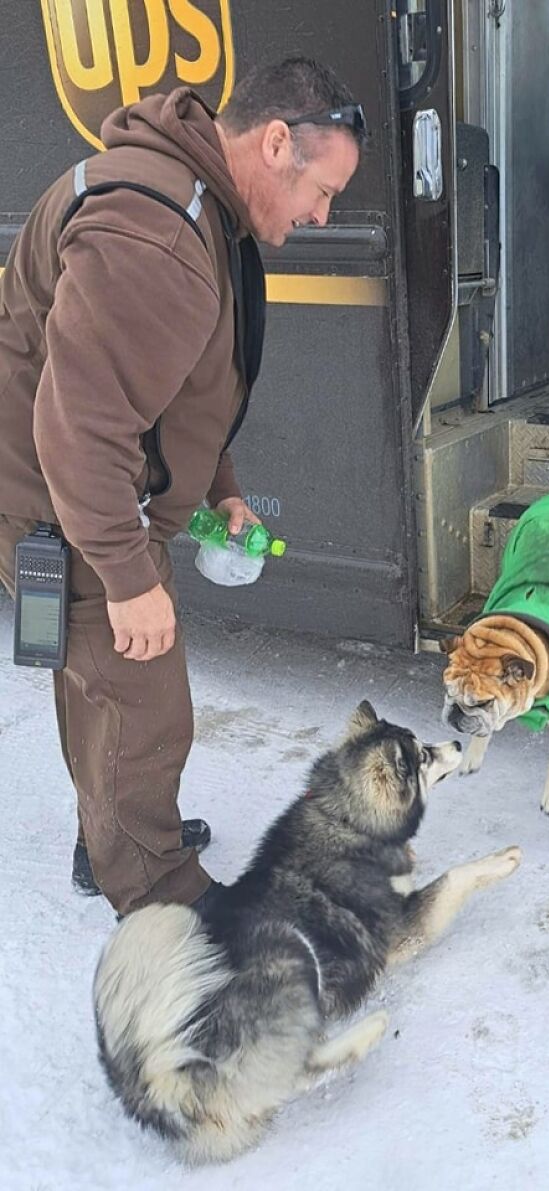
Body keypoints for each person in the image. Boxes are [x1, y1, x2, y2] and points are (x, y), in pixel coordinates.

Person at [0, 56, 365, 918]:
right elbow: (83, 429)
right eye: (323, 189)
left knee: (93, 686)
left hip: (72, 504)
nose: (323, 214)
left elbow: (175, 392)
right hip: (74, 512)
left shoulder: (193, 202)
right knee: (142, 705)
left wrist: (218, 485)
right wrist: (128, 579)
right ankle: (163, 901)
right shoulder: (156, 234)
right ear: (277, 142)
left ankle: (109, 842)